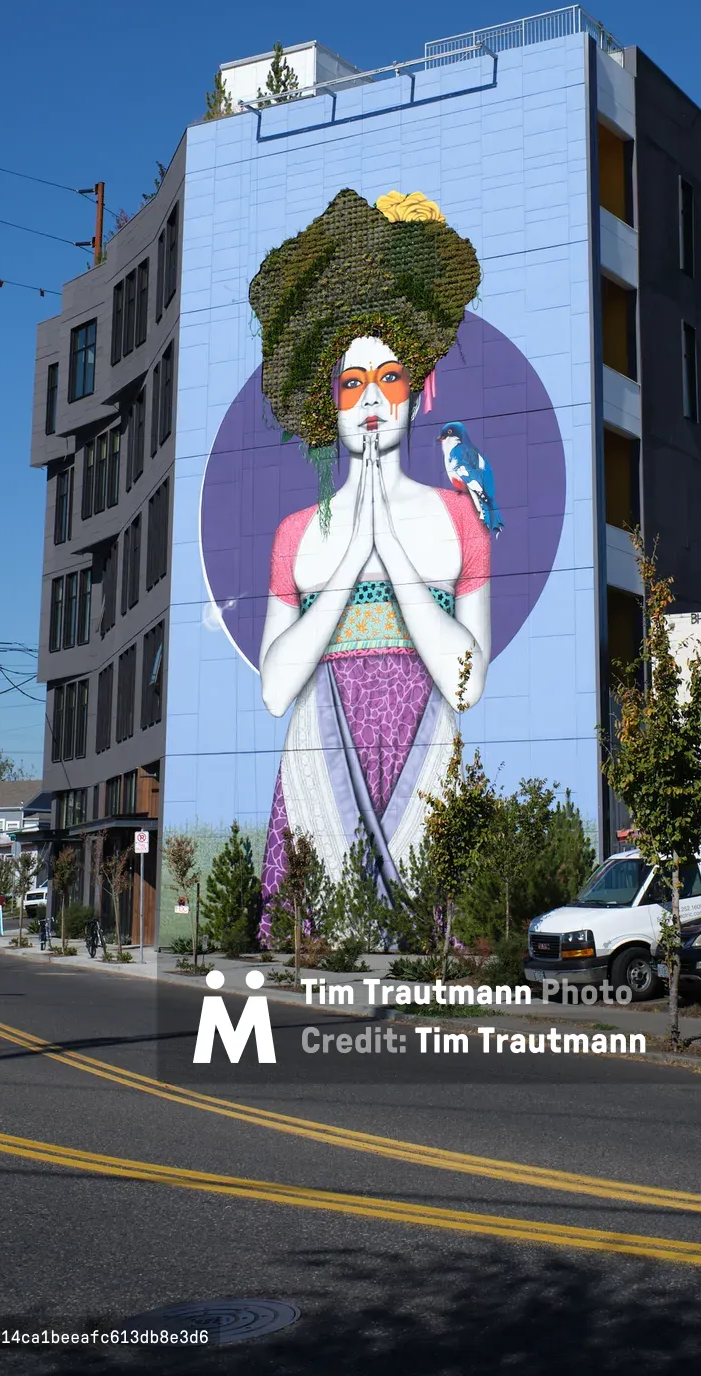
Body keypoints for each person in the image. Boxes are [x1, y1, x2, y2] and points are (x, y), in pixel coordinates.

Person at [249, 189, 488, 904]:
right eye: (352, 384)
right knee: (327, 913)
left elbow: (468, 685)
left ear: (424, 389)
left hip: (428, 754)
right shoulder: (296, 533)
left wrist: (398, 559)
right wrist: (353, 560)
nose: (373, 400)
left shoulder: (458, 519)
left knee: (427, 905)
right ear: (330, 402)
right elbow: (272, 690)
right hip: (318, 755)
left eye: (390, 377)